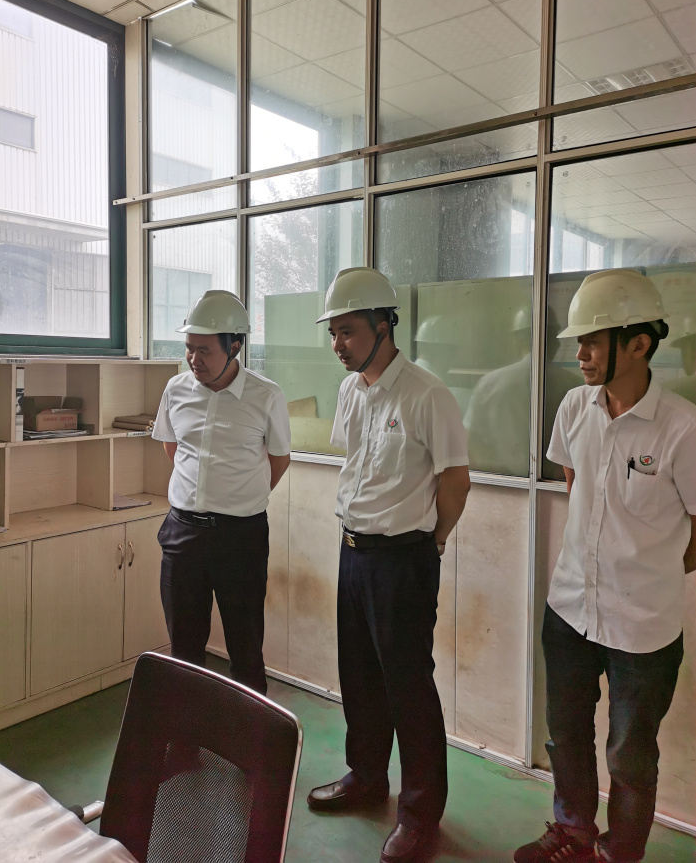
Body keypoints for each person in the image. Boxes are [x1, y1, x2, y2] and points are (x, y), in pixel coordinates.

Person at [515, 269, 696, 863]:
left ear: (639, 343)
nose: (581, 354)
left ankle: (619, 851)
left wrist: (648, 572)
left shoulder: (683, 429)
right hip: (569, 608)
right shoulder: (574, 407)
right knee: (566, 734)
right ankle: (572, 832)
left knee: (629, 754)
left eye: (593, 341)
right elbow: (577, 486)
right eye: (579, 342)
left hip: (642, 627)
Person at [306, 267, 471, 863]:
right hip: (354, 551)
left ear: (383, 326)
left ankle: (420, 813)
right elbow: (357, 463)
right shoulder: (351, 392)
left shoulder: (427, 395)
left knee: (408, 688)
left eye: (347, 331)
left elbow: (456, 480)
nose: (338, 344)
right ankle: (367, 777)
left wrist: (433, 541)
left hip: (403, 558)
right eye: (333, 332)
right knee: (359, 676)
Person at [152, 289, 291, 695]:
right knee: (184, 650)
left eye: (204, 351)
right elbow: (173, 447)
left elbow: (279, 459)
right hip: (183, 534)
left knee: (245, 649)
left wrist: (239, 498)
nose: (193, 359)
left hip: (240, 538)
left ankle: (250, 735)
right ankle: (187, 731)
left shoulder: (266, 395)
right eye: (189, 348)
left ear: (234, 347)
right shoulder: (176, 389)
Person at [464, 305, 580, 478]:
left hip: (499, 482)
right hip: (555, 485)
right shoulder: (575, 386)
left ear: (516, 340)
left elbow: (471, 441)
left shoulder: (489, 383)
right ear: (555, 341)